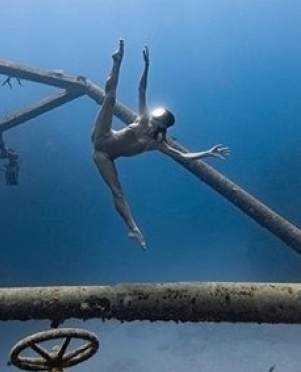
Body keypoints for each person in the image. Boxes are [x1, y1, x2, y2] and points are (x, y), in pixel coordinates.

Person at [91, 39, 229, 250]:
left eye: (160, 114)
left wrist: (208, 153)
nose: (155, 112)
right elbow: (141, 90)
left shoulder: (157, 144)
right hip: (102, 136)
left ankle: (133, 228)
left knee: (117, 191)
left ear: (163, 123)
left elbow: (184, 157)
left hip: (104, 157)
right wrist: (146, 66)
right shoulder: (143, 120)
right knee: (109, 97)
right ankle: (117, 61)